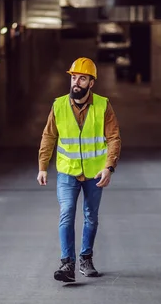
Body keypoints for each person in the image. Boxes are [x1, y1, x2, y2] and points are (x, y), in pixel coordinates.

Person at [37, 57, 121, 283]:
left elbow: (113, 138)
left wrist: (109, 167)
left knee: (90, 217)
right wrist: (42, 166)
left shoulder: (103, 105)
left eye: (82, 78)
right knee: (66, 213)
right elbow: (49, 136)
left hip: (95, 173)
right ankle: (67, 263)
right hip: (67, 171)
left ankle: (85, 258)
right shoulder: (59, 105)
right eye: (74, 77)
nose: (76, 82)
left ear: (91, 83)